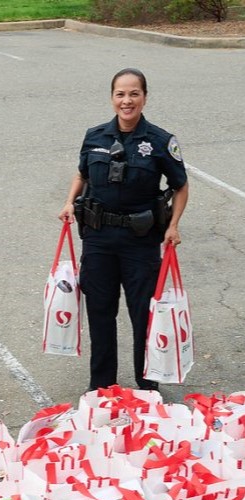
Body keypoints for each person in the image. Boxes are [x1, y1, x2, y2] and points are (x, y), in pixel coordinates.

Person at [59, 67, 188, 392]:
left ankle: (148, 389)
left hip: (140, 242)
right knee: (101, 314)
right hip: (99, 239)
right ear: (112, 98)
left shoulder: (160, 141)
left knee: (143, 315)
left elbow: (181, 186)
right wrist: (68, 201)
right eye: (121, 94)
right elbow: (82, 174)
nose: (127, 100)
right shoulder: (95, 136)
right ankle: (102, 388)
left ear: (144, 97)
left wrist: (173, 225)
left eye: (134, 93)